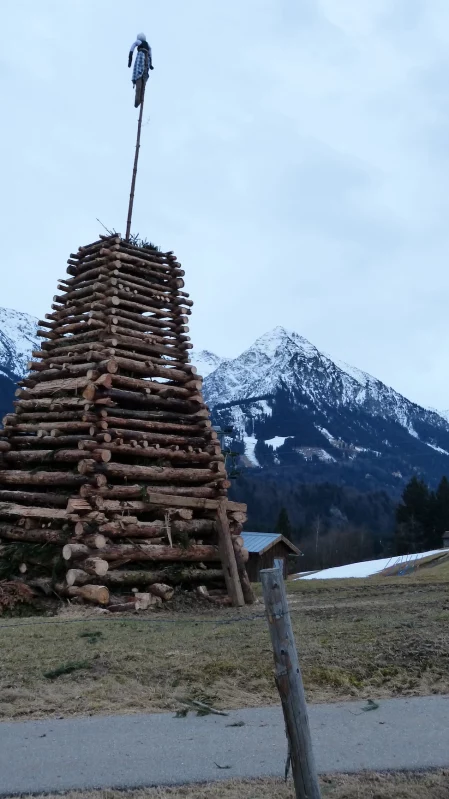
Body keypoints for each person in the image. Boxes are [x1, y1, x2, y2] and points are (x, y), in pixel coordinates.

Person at [128, 33, 154, 108]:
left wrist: (130, 58)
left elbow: (133, 46)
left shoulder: (140, 42)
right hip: (146, 58)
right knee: (141, 80)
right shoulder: (143, 43)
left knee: (141, 78)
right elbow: (150, 50)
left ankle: (139, 99)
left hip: (143, 57)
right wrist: (151, 62)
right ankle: (138, 99)